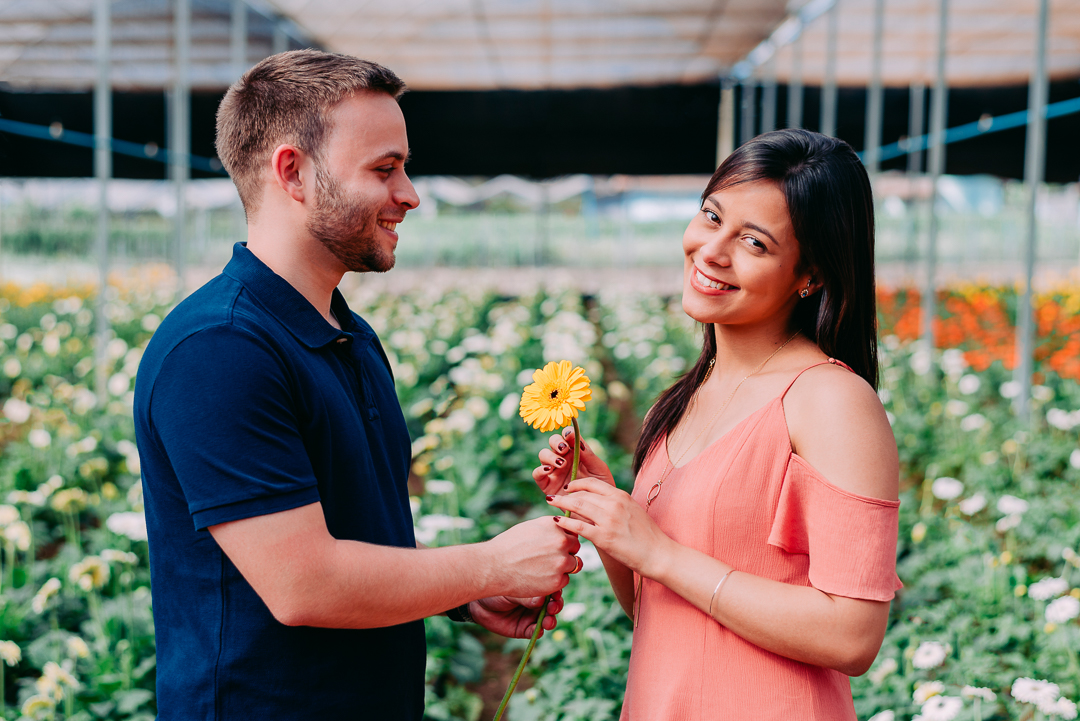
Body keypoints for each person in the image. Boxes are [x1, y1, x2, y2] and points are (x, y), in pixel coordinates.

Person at [133, 49, 580, 720]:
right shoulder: (220, 348)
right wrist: (489, 566)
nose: (410, 193)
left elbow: (351, 530)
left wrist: (458, 592)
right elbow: (303, 581)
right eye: (385, 168)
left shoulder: (349, 336)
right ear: (294, 172)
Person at [534, 129, 902, 720]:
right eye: (712, 216)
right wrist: (611, 519)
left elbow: (853, 635)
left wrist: (659, 552)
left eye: (754, 243)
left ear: (810, 274)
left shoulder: (830, 401)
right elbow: (655, 608)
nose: (712, 251)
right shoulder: (688, 396)